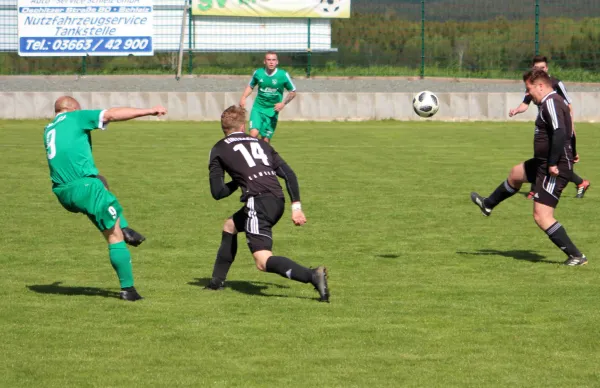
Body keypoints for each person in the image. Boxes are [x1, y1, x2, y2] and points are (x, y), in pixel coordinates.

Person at [43, 96, 167, 301]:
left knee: (100, 180)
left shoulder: (48, 129)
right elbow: (110, 114)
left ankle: (125, 226)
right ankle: (129, 290)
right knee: (114, 236)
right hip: (84, 188)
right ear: (73, 108)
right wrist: (149, 111)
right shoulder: (75, 117)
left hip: (62, 192)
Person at [205, 105, 329, 302]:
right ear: (243, 126)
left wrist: (237, 181)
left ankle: (312, 275)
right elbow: (289, 175)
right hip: (276, 199)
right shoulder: (261, 144)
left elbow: (218, 193)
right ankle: (216, 283)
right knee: (230, 226)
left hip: (258, 202)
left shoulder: (219, 148)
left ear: (223, 128)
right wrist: (296, 207)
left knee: (262, 261)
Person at [471, 69, 587, 266]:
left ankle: (577, 256)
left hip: (554, 167)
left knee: (542, 216)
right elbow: (570, 132)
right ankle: (488, 204)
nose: (528, 93)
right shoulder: (549, 103)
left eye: (529, 88)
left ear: (540, 86)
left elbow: (560, 133)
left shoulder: (551, 102)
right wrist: (573, 151)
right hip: (544, 163)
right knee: (516, 174)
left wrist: (552, 164)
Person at [509, 55, 590, 199]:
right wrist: (516, 110)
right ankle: (578, 183)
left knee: (556, 162)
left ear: (547, 68)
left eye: (543, 67)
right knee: (543, 158)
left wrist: (571, 127)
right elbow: (525, 103)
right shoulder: (533, 84)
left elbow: (568, 105)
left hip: (559, 125)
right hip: (544, 125)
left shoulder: (556, 83)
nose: (540, 70)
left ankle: (540, 189)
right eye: (536, 68)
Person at [239, 51, 297, 143]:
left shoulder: (283, 75)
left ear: (277, 62)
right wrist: (243, 97)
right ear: (264, 62)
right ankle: (251, 156)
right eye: (269, 60)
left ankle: (263, 156)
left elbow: (293, 92)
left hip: (272, 111)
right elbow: (251, 86)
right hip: (258, 108)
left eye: (273, 60)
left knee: (265, 140)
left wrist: (283, 103)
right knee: (253, 134)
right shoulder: (258, 73)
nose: (271, 62)